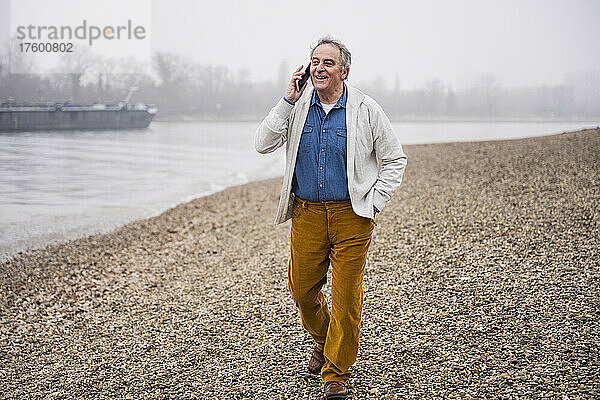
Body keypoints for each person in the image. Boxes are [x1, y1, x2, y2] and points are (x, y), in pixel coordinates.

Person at [255, 36, 407, 399]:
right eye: (315, 62)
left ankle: (336, 373)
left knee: (346, 295)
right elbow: (262, 143)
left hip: (351, 215)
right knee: (302, 289)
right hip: (306, 213)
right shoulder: (297, 106)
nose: (320, 68)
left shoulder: (367, 109)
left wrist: (373, 204)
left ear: (344, 70)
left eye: (328, 63)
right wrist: (287, 99)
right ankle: (327, 340)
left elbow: (395, 159)